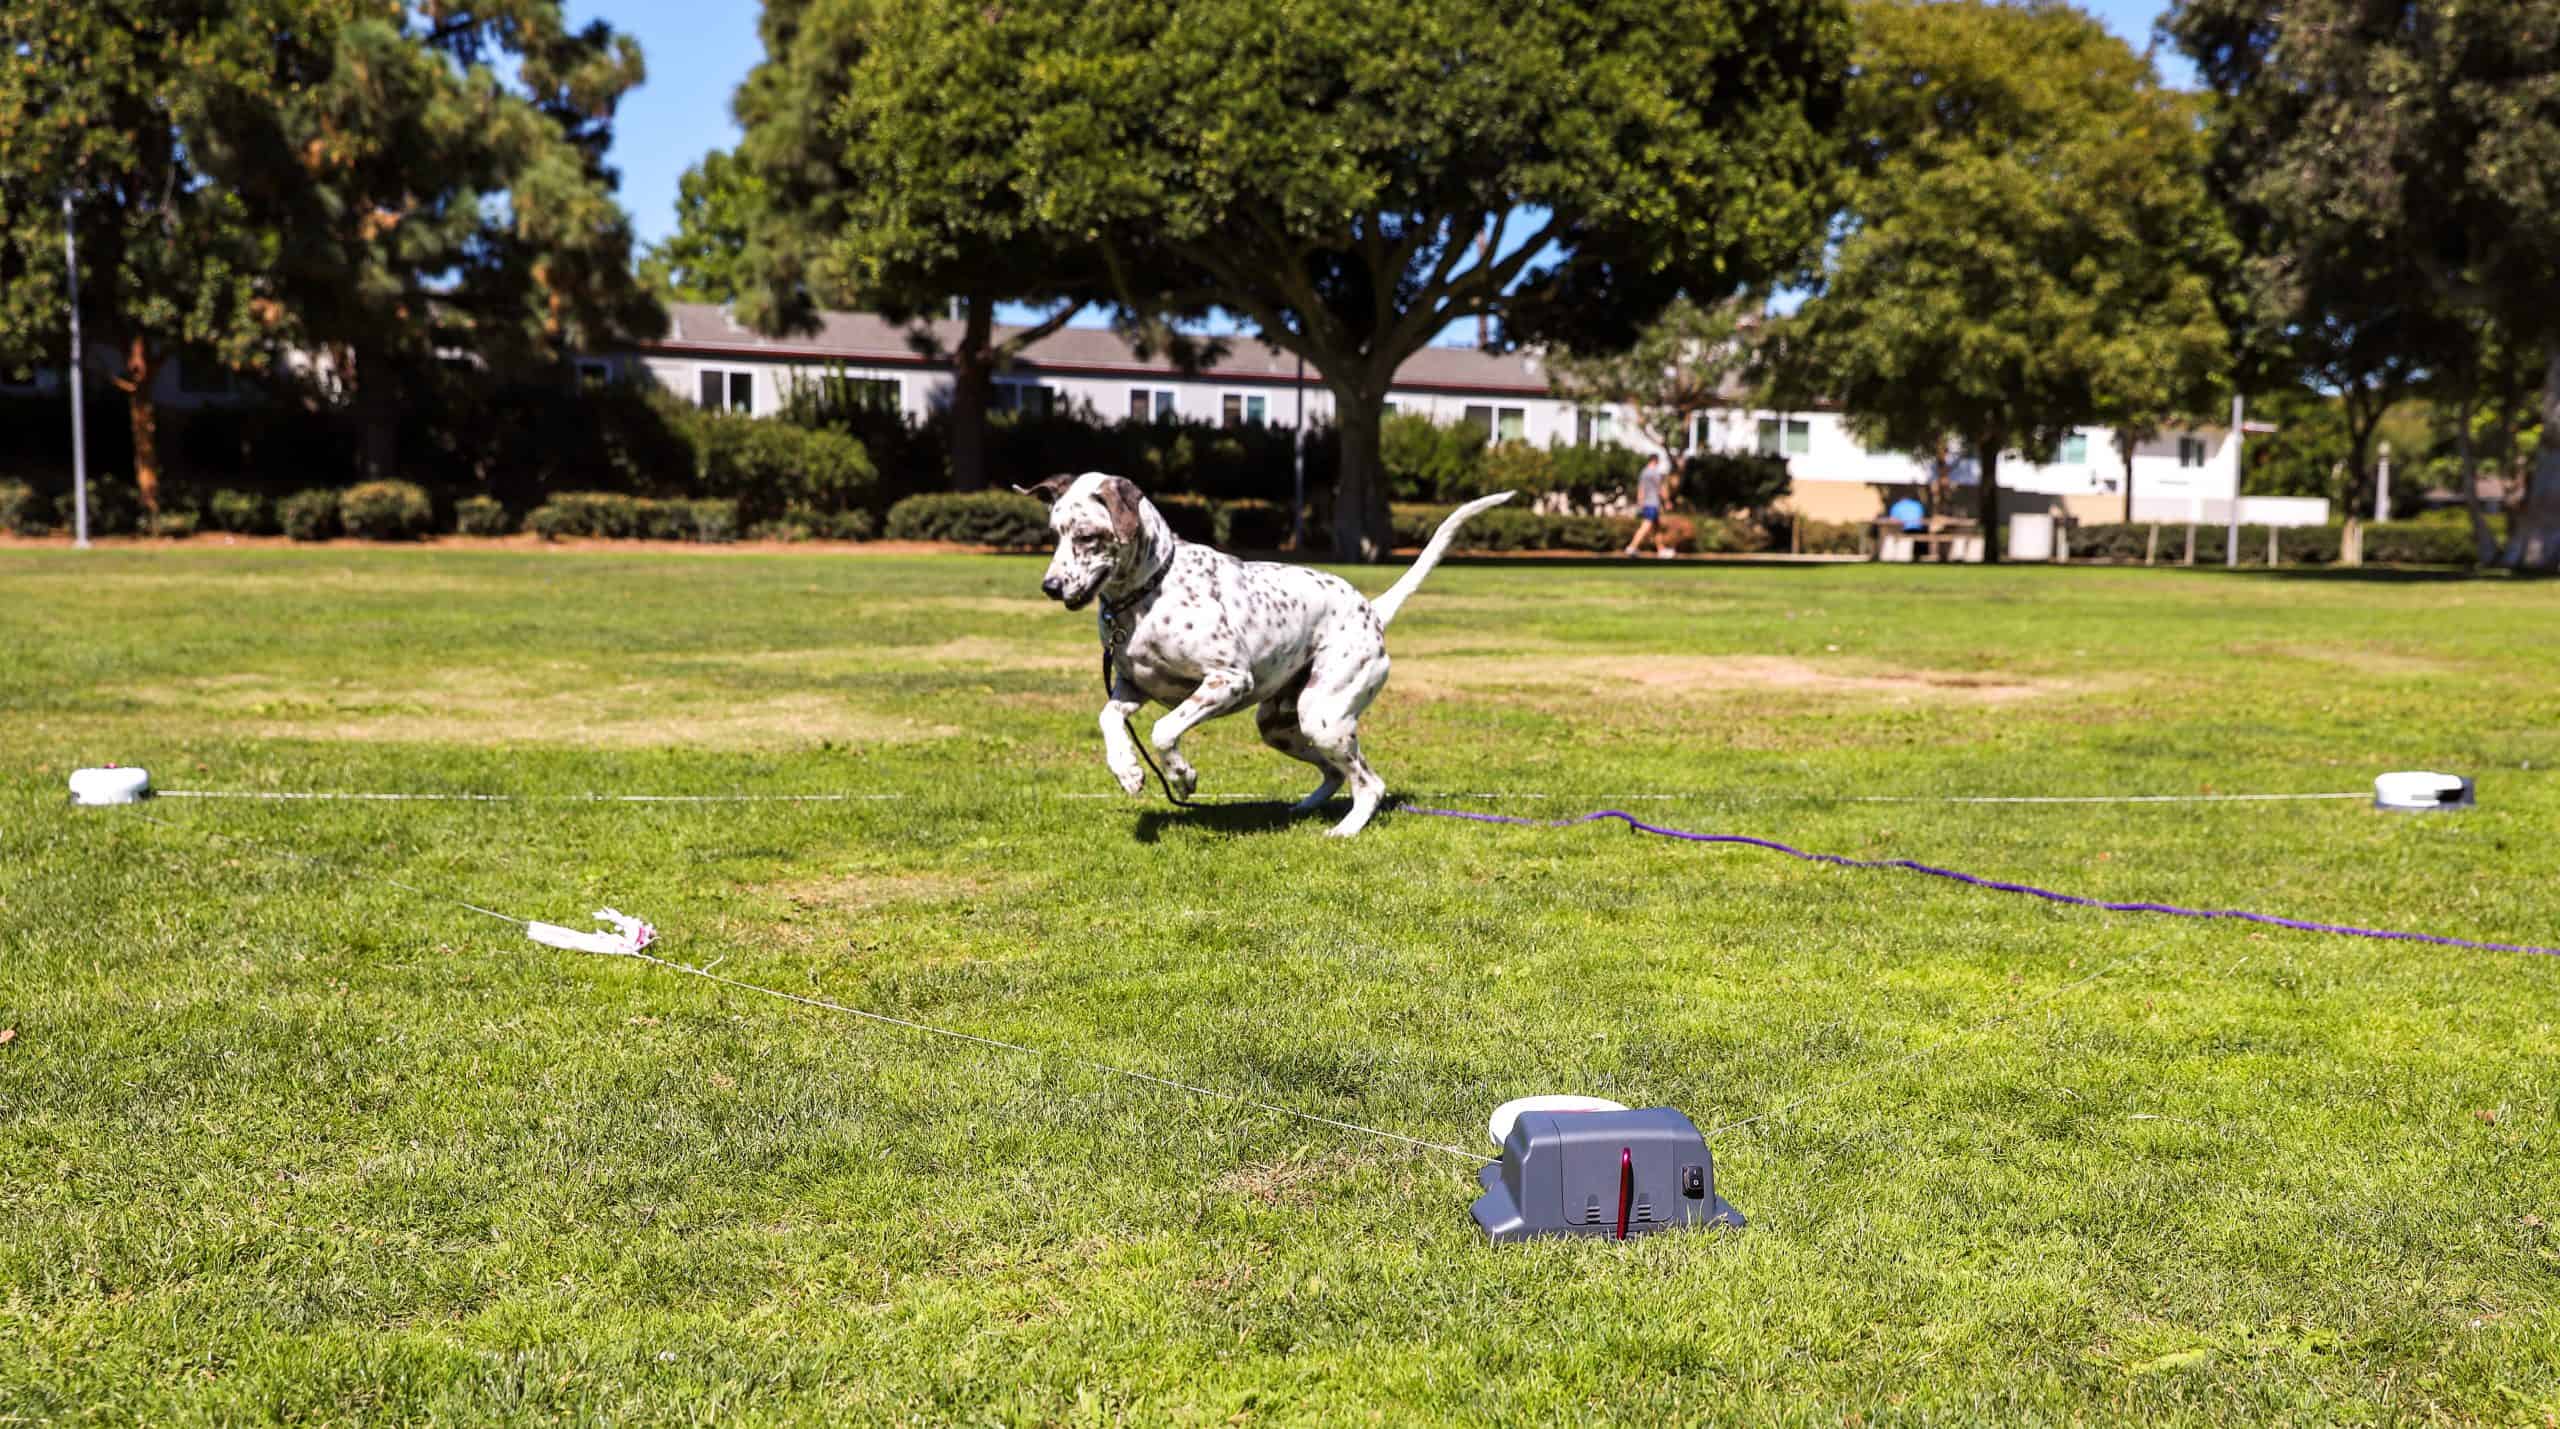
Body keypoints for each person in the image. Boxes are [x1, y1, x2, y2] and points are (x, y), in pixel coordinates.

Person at [1623, 452, 1679, 559]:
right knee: (1646, 526)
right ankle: (1632, 546)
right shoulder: (1654, 473)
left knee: (1656, 527)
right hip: (1652, 503)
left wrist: (1640, 502)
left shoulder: (1643, 472)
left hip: (1646, 503)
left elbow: (1640, 489)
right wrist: (1667, 501)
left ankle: (1661, 550)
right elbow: (1661, 489)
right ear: (1655, 460)